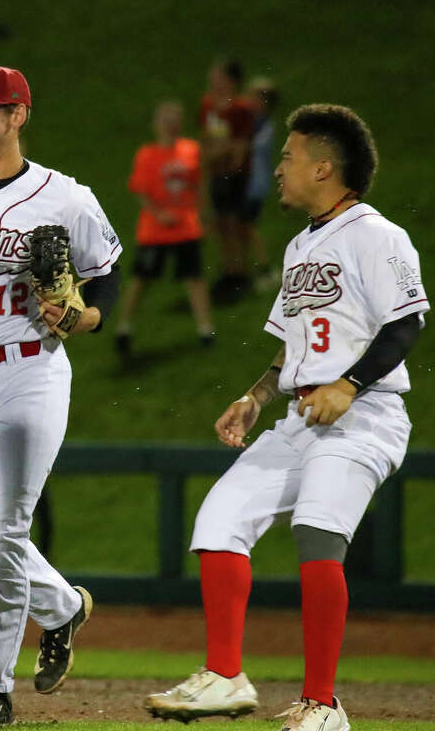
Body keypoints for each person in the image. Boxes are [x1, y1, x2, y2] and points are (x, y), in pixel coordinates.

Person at [144, 105, 426, 731]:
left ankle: (322, 706)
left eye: (291, 157)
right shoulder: (302, 243)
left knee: (317, 529)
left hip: (365, 411)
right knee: (219, 519)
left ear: (325, 167)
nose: (278, 169)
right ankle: (223, 676)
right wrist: (255, 396)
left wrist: (350, 385)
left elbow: (406, 322)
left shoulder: (376, 235)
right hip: (302, 414)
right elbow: (294, 347)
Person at [0, 64, 122, 726]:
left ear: (18, 116)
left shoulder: (64, 197)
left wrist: (86, 317)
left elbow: (105, 279)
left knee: (2, 532)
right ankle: (62, 608)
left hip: (28, 369)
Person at [114, 100, 213, 355]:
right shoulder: (147, 154)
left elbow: (198, 185)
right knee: (141, 279)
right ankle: (124, 326)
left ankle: (205, 329)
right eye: (165, 121)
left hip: (185, 225)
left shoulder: (191, 150)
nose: (170, 126)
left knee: (193, 277)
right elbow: (141, 190)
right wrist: (159, 213)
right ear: (156, 125)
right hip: (155, 228)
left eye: (174, 120)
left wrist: (203, 215)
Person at [199, 57, 256, 304]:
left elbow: (241, 145)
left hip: (234, 174)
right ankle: (228, 269)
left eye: (218, 75)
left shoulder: (240, 108)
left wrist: (224, 158)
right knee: (220, 222)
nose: (213, 79)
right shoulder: (209, 105)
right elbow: (206, 137)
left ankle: (240, 271)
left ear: (230, 81)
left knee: (235, 223)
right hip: (216, 171)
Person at [246, 76, 281, 292]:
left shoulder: (260, 125)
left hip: (253, 183)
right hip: (253, 181)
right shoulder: (258, 123)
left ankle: (266, 269)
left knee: (248, 225)